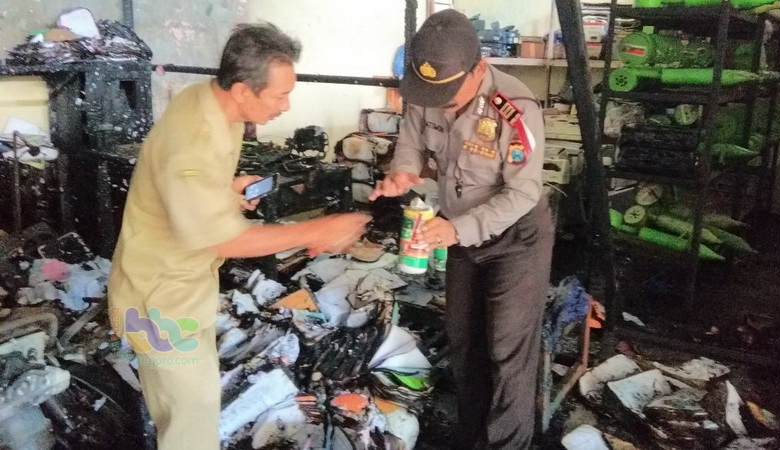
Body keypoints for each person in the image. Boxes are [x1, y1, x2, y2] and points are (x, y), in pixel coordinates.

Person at [108, 23, 370, 449]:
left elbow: (181, 184)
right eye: (279, 95)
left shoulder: (210, 101)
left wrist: (224, 191)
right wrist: (317, 229)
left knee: (189, 408)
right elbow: (223, 241)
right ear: (243, 89)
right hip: (158, 302)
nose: (286, 105)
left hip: (179, 287)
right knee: (191, 422)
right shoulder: (195, 139)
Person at [370, 10, 554, 449]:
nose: (441, 102)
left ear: (479, 68)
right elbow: (410, 143)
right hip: (457, 231)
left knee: (507, 349)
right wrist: (402, 172)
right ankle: (471, 438)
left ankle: (508, 444)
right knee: (464, 342)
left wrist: (457, 230)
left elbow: (523, 192)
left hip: (516, 237)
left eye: (450, 94)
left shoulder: (515, 108)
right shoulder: (426, 88)